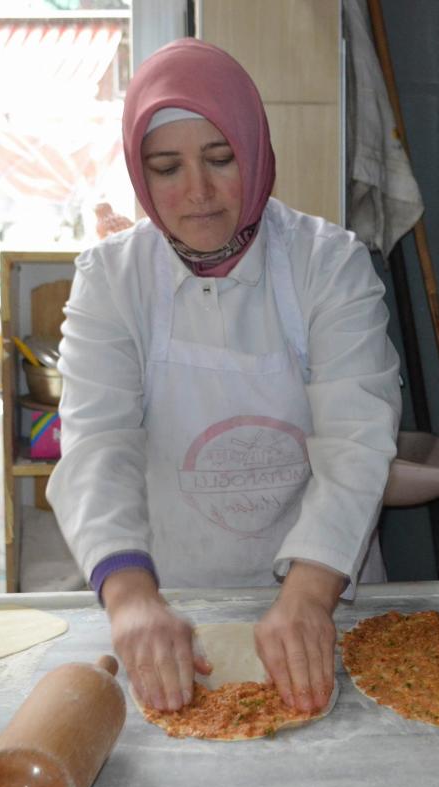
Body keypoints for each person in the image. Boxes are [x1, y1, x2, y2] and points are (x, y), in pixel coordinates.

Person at [47, 39, 402, 719]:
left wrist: (304, 598)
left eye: (220, 158)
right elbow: (99, 444)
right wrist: (131, 598)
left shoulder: (328, 265)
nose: (199, 193)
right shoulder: (112, 280)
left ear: (256, 149)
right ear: (137, 172)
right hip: (171, 613)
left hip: (322, 596)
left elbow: (357, 440)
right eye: (166, 168)